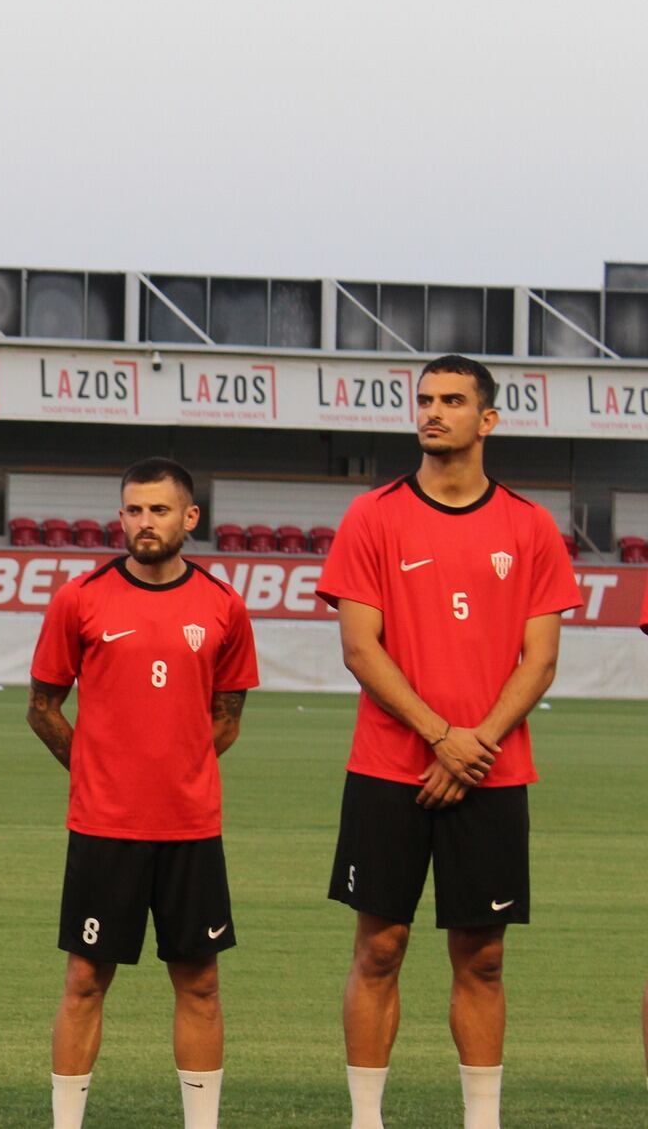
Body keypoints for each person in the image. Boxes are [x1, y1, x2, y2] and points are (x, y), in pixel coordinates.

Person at [318, 354, 579, 1129]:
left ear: (487, 418)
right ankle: (367, 1119)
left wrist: (475, 746)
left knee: (484, 956)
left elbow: (542, 658)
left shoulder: (529, 526)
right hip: (389, 769)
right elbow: (361, 647)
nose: (433, 412)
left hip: (492, 774)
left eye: (453, 400)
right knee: (380, 949)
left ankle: (482, 1120)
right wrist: (440, 736)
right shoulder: (373, 515)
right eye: (425, 399)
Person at [26, 457, 258, 1129]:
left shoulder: (223, 605)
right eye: (133, 509)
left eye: (158, 510)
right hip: (106, 826)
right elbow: (43, 707)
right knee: (84, 980)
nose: (143, 522)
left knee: (201, 981)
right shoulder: (81, 598)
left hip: (190, 827)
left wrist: (177, 766)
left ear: (190, 518)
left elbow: (228, 714)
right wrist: (100, 767)